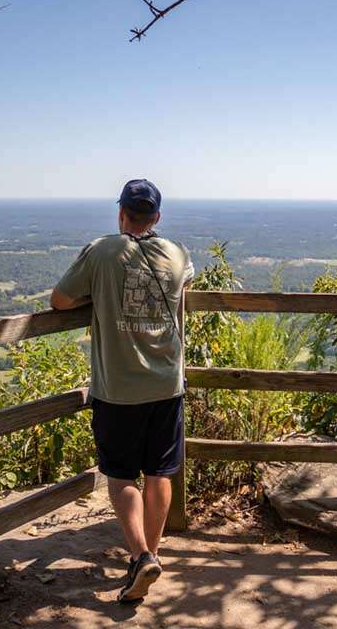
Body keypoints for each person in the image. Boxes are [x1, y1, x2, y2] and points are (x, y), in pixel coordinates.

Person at [50, 179, 194, 602]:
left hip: (118, 389)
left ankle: (140, 557)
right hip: (167, 384)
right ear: (157, 218)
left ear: (121, 214)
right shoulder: (177, 253)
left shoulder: (103, 251)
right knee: (161, 471)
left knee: (119, 474)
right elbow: (184, 283)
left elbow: (60, 300)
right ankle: (153, 551)